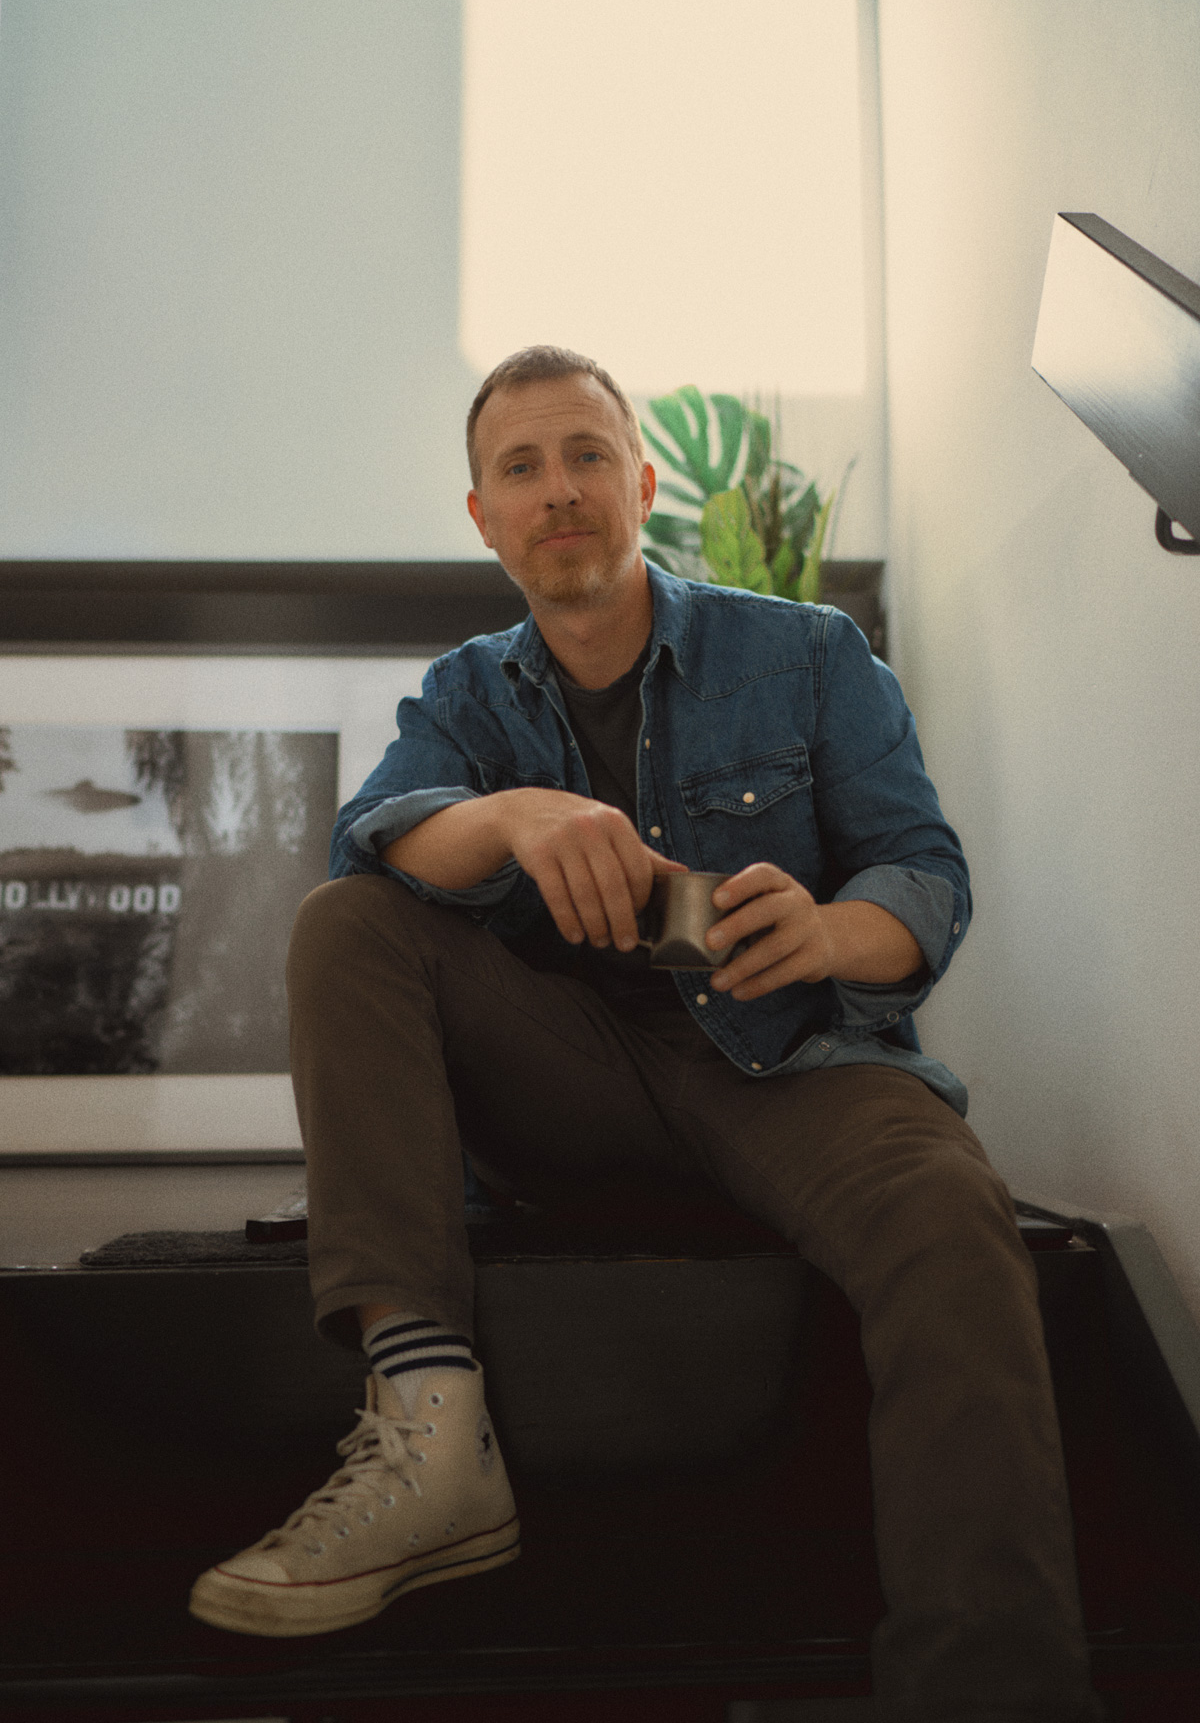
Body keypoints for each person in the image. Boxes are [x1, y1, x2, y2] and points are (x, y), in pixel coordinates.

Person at [190, 346, 1102, 1721]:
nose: (558, 491)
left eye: (585, 456)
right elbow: (365, 844)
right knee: (345, 922)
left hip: (793, 1065)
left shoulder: (807, 653)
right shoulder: (466, 697)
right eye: (521, 469)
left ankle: (989, 1694)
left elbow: (923, 874)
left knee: (950, 1214)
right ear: (483, 518)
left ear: (642, 480)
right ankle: (430, 1437)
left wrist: (832, 933)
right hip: (564, 1083)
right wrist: (511, 818)